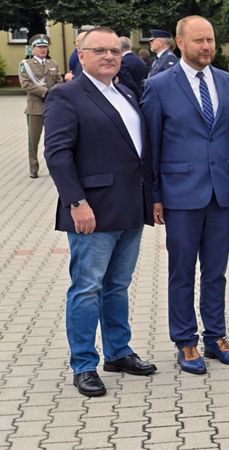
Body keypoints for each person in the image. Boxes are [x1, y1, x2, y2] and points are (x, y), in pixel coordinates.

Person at [44, 26, 156, 397]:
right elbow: (57, 154)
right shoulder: (66, 95)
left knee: (117, 286)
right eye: (100, 50)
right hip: (91, 210)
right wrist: (76, 202)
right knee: (87, 288)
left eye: (115, 51)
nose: (109, 56)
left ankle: (118, 352)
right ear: (81, 54)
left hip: (130, 206)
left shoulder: (125, 92)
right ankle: (83, 364)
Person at [141, 16, 229, 374]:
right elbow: (151, 146)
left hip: (222, 194)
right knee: (182, 273)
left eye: (210, 40)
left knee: (216, 272)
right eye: (199, 40)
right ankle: (185, 341)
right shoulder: (158, 86)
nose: (206, 47)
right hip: (180, 195)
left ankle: (215, 337)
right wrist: (155, 195)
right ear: (180, 42)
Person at [19, 34, 63, 178]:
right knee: (34, 140)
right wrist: (45, 92)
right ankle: (34, 168)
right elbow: (26, 84)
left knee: (53, 140)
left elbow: (59, 81)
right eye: (40, 47)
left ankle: (54, 167)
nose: (43, 49)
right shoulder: (26, 65)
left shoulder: (53, 64)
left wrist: (53, 91)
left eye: (45, 47)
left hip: (52, 107)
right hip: (35, 108)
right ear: (33, 49)